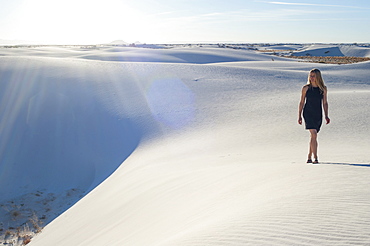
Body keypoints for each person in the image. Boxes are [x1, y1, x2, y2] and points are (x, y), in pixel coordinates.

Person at [298, 68, 330, 164]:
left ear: (318, 77)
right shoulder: (306, 88)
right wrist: (299, 115)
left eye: (313, 76)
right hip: (308, 113)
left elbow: (325, 103)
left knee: (313, 136)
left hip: (318, 114)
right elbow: (302, 102)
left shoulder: (323, 89)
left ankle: (309, 156)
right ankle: (315, 158)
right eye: (310, 76)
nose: (311, 78)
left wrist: (326, 115)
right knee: (314, 134)